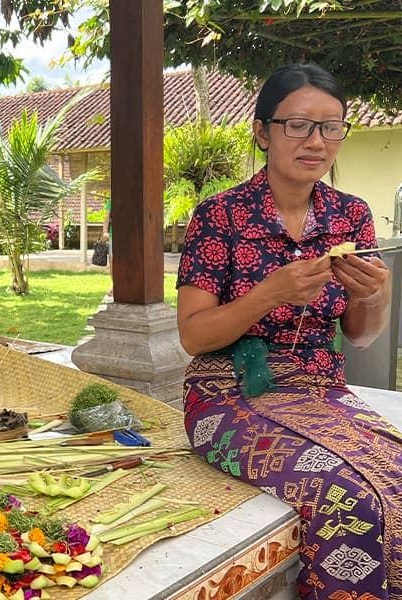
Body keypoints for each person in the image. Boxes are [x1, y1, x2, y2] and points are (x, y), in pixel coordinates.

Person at [176, 63, 398, 599]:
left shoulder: (350, 216)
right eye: (297, 125)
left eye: (331, 126)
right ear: (262, 131)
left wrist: (376, 294)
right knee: (347, 498)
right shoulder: (220, 216)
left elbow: (361, 336)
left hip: (322, 390)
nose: (316, 141)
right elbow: (193, 336)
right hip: (225, 395)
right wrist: (270, 292)